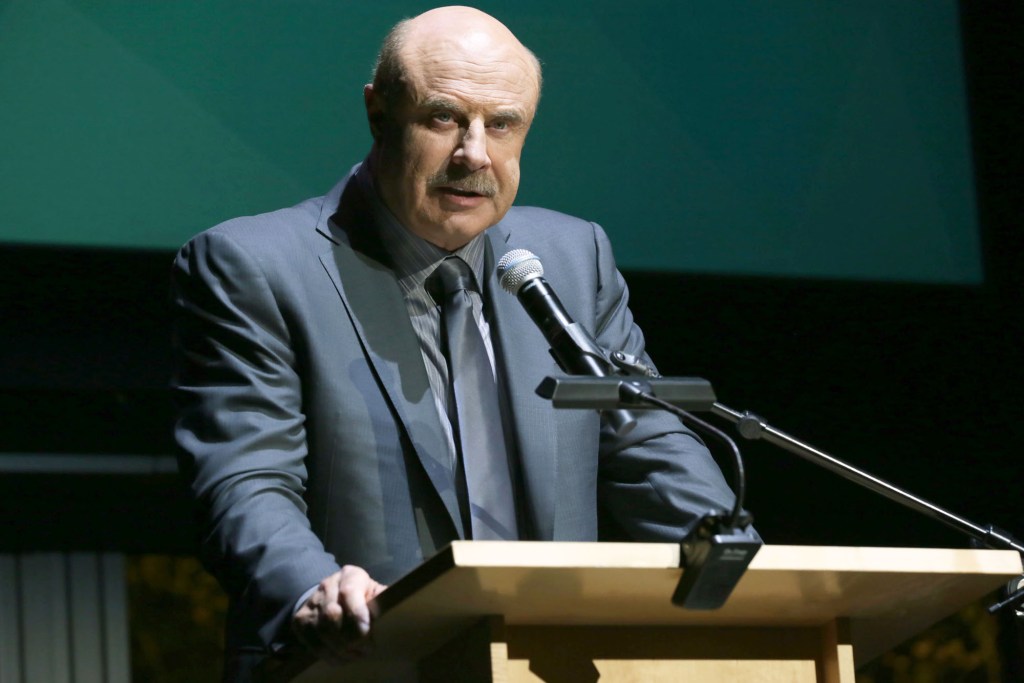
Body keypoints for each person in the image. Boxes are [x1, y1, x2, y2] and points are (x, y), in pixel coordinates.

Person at [171, 6, 745, 680]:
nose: (475, 154)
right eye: (445, 118)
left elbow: (648, 442)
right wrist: (312, 587)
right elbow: (246, 479)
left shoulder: (569, 257)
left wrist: (742, 571)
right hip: (353, 663)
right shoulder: (255, 266)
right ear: (379, 113)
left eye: (502, 125)